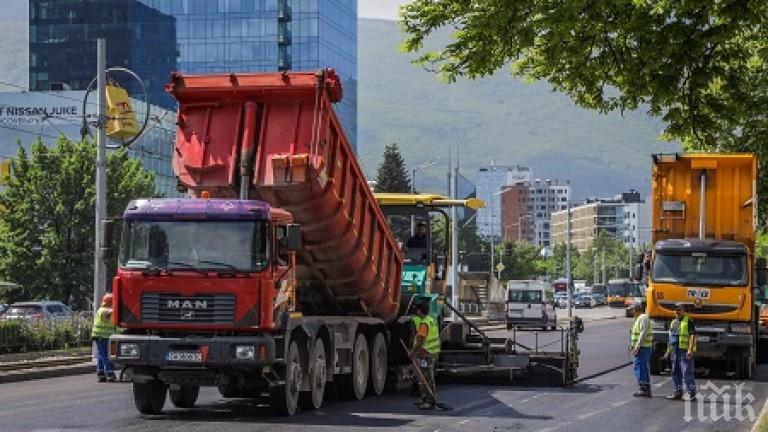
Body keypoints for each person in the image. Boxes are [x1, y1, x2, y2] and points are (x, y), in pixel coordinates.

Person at [410, 298, 440, 410]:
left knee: (426, 379)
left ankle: (429, 401)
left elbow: (421, 340)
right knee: (427, 377)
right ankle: (425, 398)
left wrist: (412, 352)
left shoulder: (424, 324)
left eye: (416, 310)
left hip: (426, 354)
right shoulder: (430, 320)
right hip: (432, 352)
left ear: (419, 311)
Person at [664, 303, 697, 401]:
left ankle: (691, 393)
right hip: (674, 350)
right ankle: (678, 392)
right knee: (675, 371)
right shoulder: (673, 322)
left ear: (683, 310)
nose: (677, 312)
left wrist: (690, 349)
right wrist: (668, 351)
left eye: (679, 309)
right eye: (675, 310)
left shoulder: (688, 321)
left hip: (684, 350)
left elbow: (692, 336)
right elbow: (670, 338)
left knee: (687, 371)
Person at [92, 293, 117, 383]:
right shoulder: (105, 311)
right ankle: (110, 374)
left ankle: (101, 374)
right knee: (106, 355)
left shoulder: (101, 310)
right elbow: (110, 313)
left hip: (100, 336)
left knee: (101, 355)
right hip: (102, 337)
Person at [629, 302, 653, 397]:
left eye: (632, 309)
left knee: (639, 367)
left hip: (643, 348)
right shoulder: (639, 318)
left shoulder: (643, 318)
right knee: (642, 367)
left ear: (636, 309)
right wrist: (632, 345)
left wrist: (637, 347)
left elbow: (643, 334)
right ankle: (645, 387)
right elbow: (636, 334)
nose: (631, 311)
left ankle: (644, 388)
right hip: (642, 347)